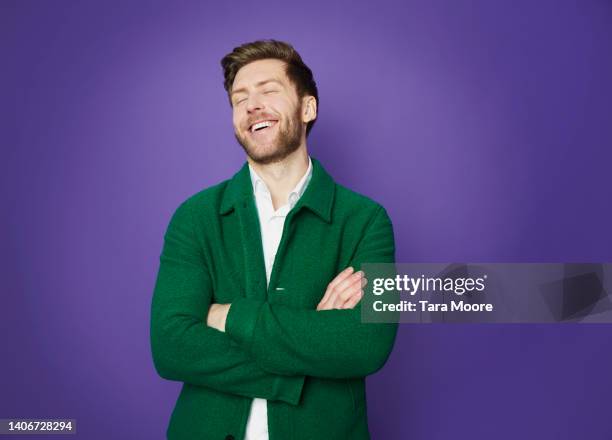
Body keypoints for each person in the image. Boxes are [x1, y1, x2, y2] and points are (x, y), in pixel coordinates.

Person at [151, 39, 397, 440]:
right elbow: (170, 346)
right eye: (239, 98)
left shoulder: (366, 221)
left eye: (268, 91)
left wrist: (230, 316)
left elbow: (367, 342)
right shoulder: (195, 217)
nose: (251, 105)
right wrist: (306, 358)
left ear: (307, 108)